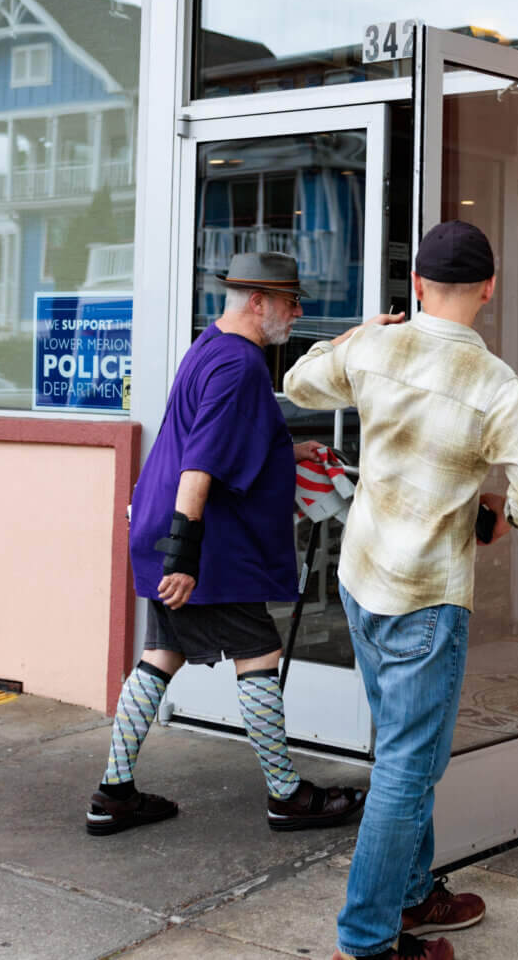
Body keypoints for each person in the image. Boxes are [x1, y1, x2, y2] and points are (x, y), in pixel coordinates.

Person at [285, 221, 518, 960]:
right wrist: (513, 523)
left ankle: (412, 898)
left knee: (402, 753)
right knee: (408, 767)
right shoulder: (491, 381)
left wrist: (353, 335)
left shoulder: (376, 348)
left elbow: (298, 380)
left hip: (362, 583)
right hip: (427, 600)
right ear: (490, 288)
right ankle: (367, 941)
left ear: (416, 287)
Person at [86, 250, 366, 837]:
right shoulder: (239, 366)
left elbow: (220, 439)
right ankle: (287, 796)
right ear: (259, 302)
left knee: (160, 656)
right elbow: (200, 464)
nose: (295, 313)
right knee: (259, 657)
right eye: (290, 302)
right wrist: (184, 557)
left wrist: (288, 452)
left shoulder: (211, 347)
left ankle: (113, 793)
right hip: (206, 544)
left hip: (174, 531)